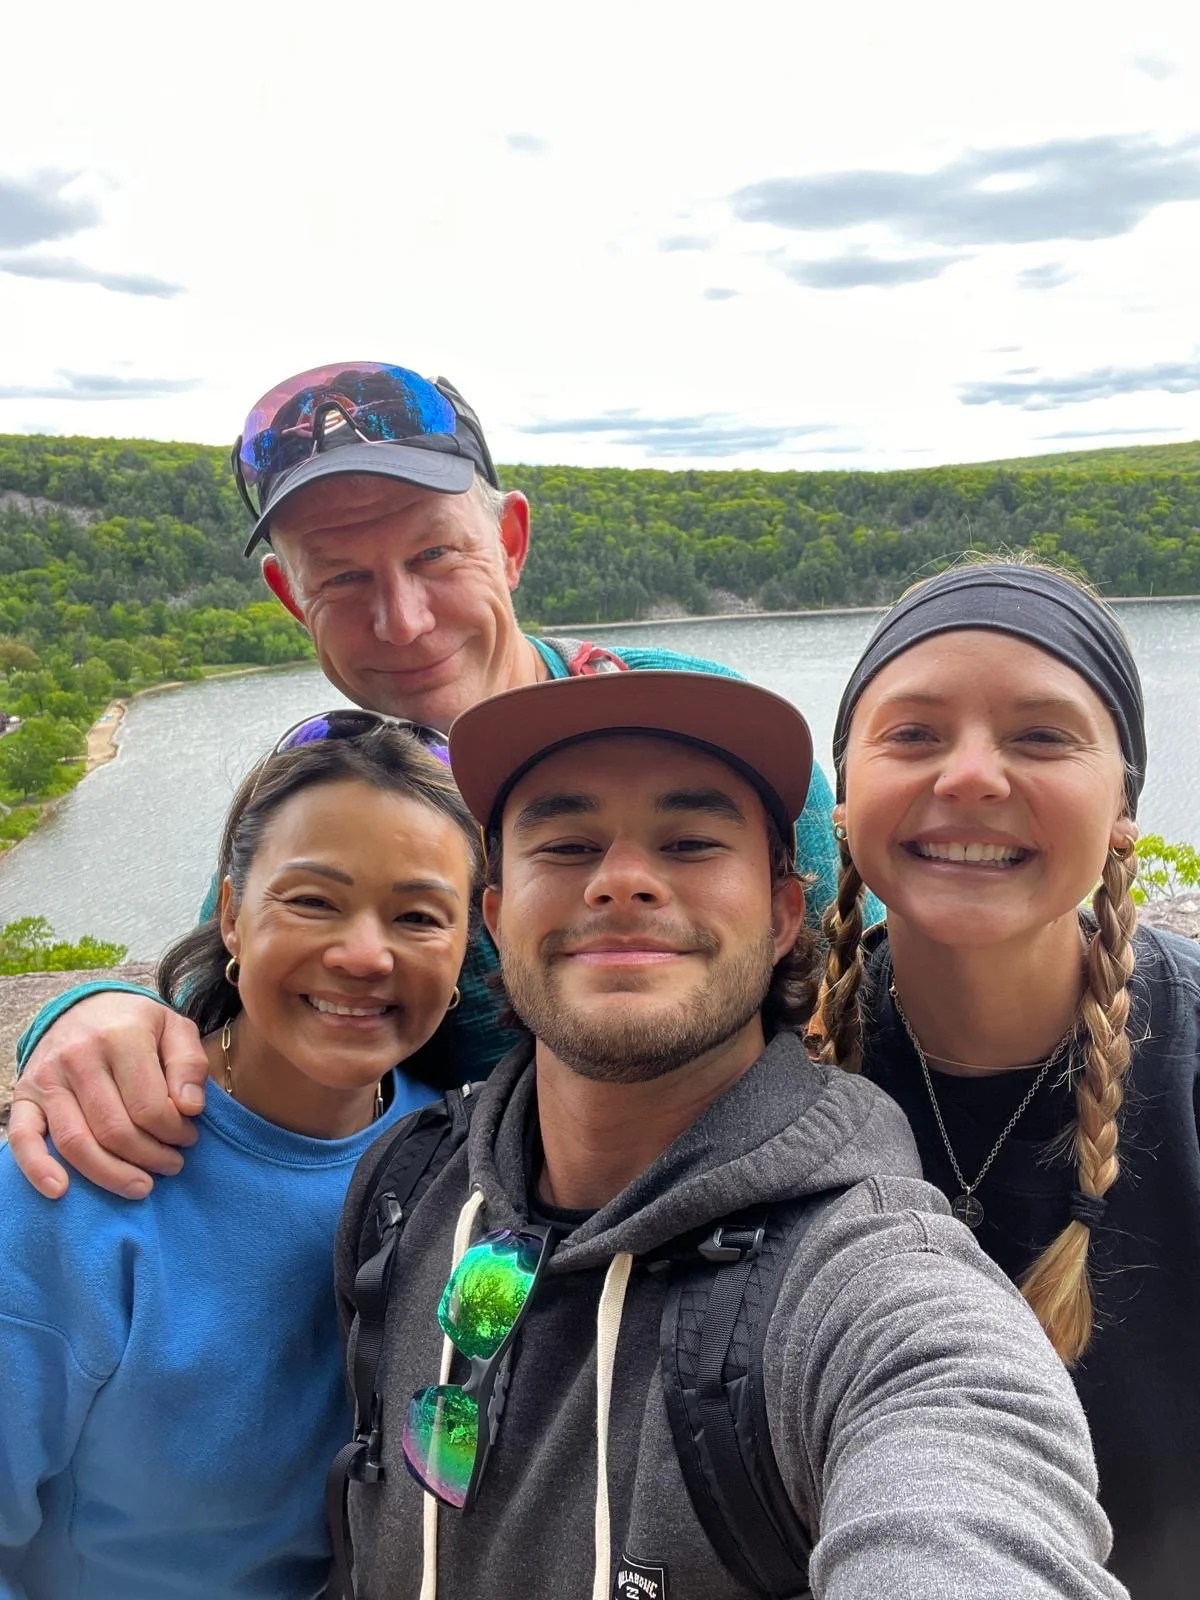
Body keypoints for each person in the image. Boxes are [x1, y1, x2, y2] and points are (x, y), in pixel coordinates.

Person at [332, 668, 1124, 1600]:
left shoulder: (862, 1283)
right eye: (569, 845)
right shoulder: (410, 1181)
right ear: (497, 918)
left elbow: (964, 1494)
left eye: (691, 844)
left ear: (785, 915)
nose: (622, 882)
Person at [8, 360, 876, 1203]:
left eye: (434, 555)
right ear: (291, 597)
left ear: (510, 542)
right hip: (453, 1265)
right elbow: (217, 994)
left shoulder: (705, 730)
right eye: (342, 578)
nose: (403, 620)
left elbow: (860, 993)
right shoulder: (329, 791)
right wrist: (87, 1012)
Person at [0, 719, 481, 1599]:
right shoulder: (80, 1175)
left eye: (417, 916)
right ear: (230, 914)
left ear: (464, 952)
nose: (363, 954)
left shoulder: (465, 1168)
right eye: (312, 901)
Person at [813, 558, 1200, 1600]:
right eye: (913, 734)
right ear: (843, 797)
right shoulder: (772, 1066)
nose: (972, 776)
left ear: (1123, 805)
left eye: (1041, 737)